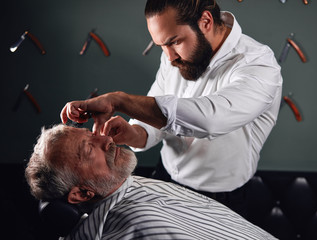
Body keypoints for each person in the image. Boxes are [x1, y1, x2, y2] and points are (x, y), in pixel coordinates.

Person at [60, 0, 283, 217]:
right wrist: (136, 133)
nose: (169, 57)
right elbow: (159, 108)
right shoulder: (175, 55)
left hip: (222, 199)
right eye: (162, 46)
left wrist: (120, 101)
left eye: (174, 42)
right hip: (165, 178)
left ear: (205, 21)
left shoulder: (258, 65)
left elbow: (210, 119)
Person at [25, 123, 278, 240]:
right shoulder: (136, 225)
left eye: (93, 133)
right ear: (81, 194)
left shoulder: (126, 185)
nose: (106, 140)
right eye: (90, 150)